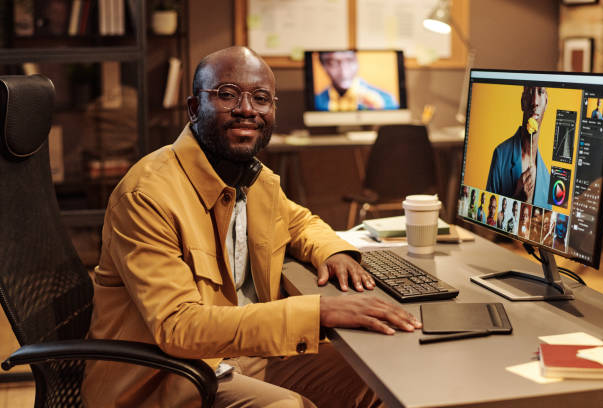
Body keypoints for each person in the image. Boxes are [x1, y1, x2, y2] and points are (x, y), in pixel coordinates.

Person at [81, 46, 421, 408]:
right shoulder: (147, 194)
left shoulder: (252, 179)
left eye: (260, 98)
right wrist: (317, 312)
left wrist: (334, 251)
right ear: (194, 108)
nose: (246, 109)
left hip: (238, 356)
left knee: (377, 376)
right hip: (166, 376)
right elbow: (179, 327)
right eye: (227, 95)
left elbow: (300, 221)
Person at [486, 86, 551, 210]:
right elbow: (485, 224)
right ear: (522, 101)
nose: (534, 102)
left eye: (540, 92)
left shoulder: (547, 181)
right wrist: (517, 198)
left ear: (546, 103)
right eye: (530, 92)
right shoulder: (500, 155)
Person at [314, 50, 399, 111]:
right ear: (323, 66)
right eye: (333, 63)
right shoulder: (317, 103)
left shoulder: (384, 101)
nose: (344, 71)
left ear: (357, 62)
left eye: (350, 61)